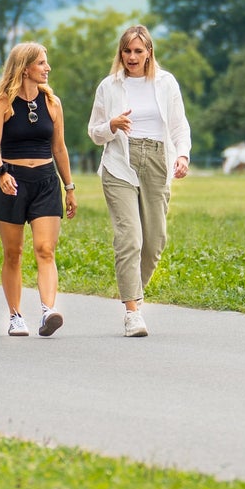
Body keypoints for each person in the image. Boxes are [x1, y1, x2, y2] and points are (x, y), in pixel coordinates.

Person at [88, 23, 191, 337]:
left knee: (155, 241)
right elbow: (94, 132)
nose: (132, 57)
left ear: (149, 53)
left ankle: (134, 292)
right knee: (129, 239)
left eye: (138, 51)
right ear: (121, 53)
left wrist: (183, 155)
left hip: (157, 160)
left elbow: (178, 125)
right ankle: (132, 312)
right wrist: (112, 125)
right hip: (120, 163)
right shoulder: (109, 86)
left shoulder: (166, 83)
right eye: (127, 51)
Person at [0, 40, 77, 336]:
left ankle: (48, 311)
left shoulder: (52, 103)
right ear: (25, 68)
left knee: (45, 249)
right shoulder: (2, 104)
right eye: (42, 63)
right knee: (14, 252)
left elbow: (59, 148)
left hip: (46, 180)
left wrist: (69, 186)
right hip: (11, 181)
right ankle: (16, 316)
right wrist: (1, 172)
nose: (48, 68)